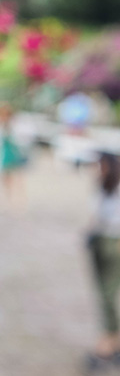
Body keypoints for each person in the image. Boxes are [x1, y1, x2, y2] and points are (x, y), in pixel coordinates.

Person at [85, 151, 120, 372]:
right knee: (102, 293)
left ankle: (109, 342)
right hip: (100, 240)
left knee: (108, 294)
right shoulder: (103, 185)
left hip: (113, 242)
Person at [0, 101, 27, 211]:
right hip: (1, 154)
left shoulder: (13, 125)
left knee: (15, 178)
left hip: (12, 153)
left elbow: (20, 140)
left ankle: (15, 200)